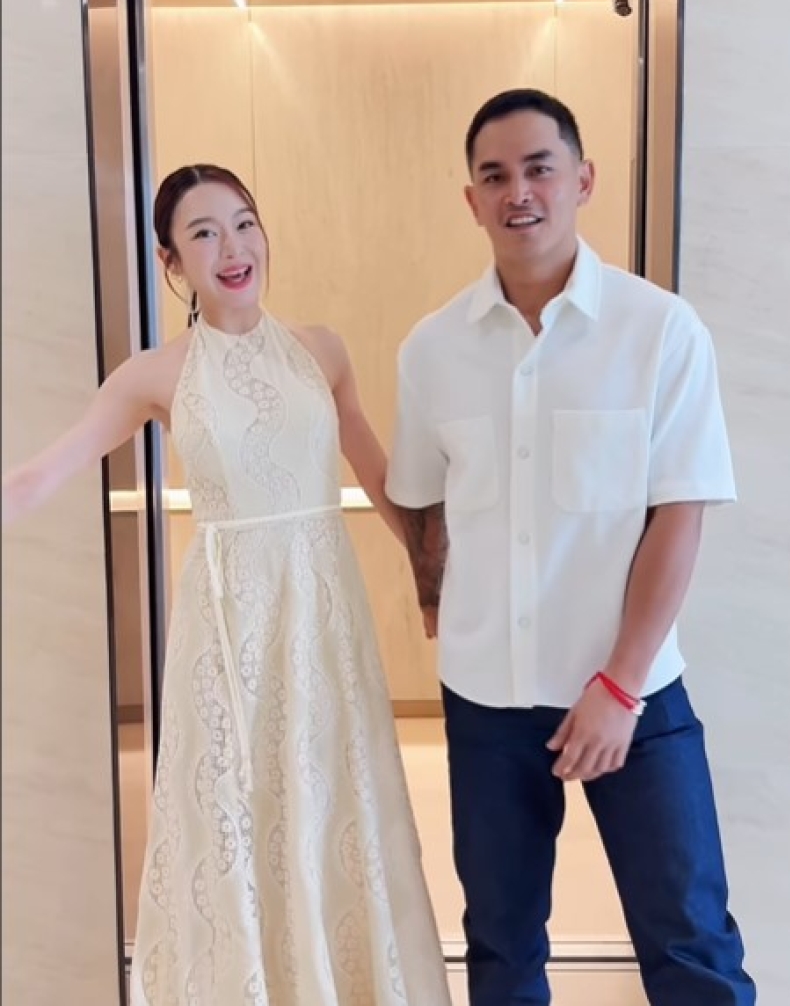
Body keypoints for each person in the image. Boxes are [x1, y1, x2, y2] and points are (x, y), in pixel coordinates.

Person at [3, 164, 453, 1006]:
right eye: (203, 234)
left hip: (323, 619)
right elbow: (39, 476)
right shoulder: (154, 375)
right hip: (228, 632)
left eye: (244, 223)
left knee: (332, 801)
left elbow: (378, 474)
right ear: (171, 263)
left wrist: (436, 578)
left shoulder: (322, 350)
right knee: (242, 814)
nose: (233, 247)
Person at [386, 89, 756, 1006]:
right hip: (488, 702)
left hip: (635, 694)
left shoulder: (659, 330)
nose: (519, 192)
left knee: (692, 945)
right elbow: (425, 506)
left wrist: (620, 688)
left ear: (582, 179)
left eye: (539, 168)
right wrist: (435, 599)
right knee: (502, 950)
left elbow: (680, 514)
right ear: (471, 200)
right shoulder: (431, 349)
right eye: (494, 176)